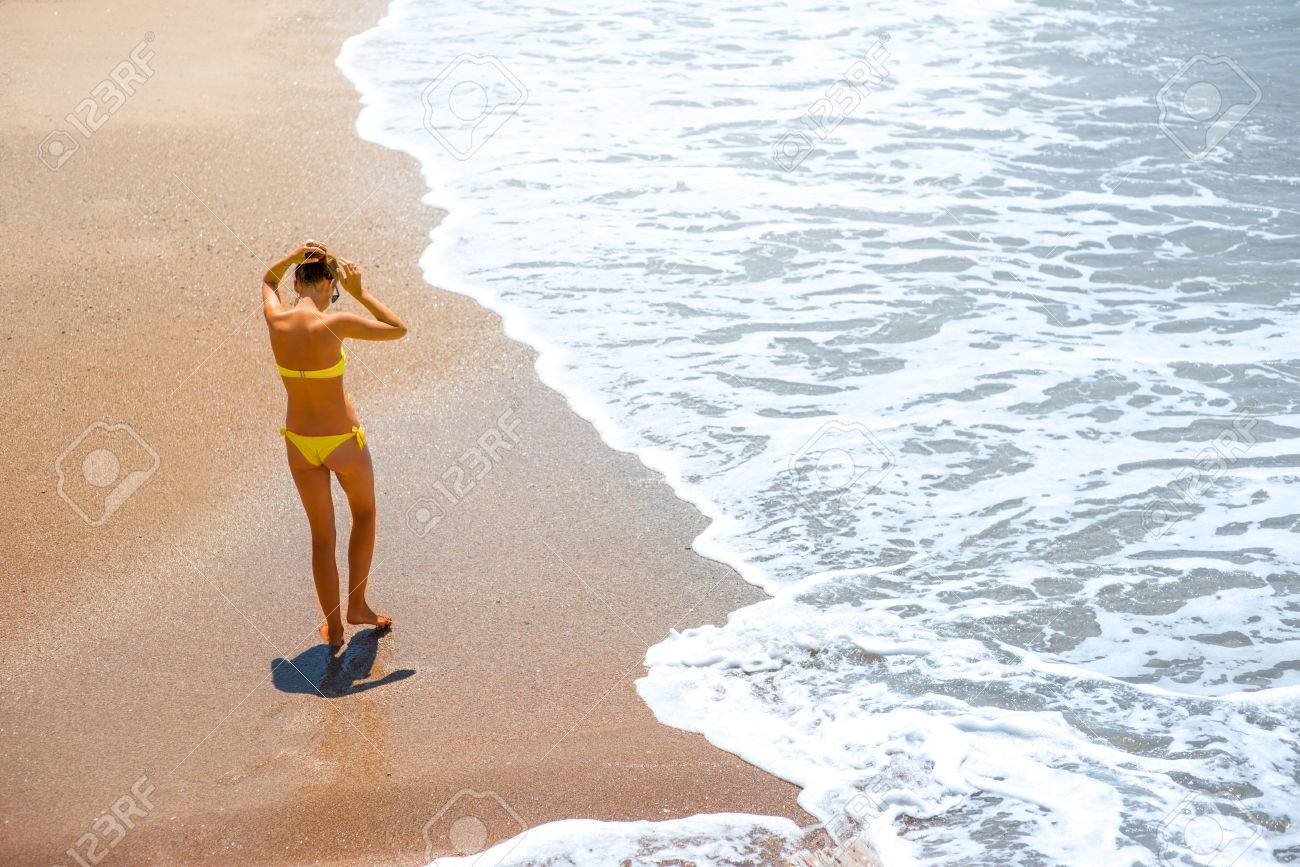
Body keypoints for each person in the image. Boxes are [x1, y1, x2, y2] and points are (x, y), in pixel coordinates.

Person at [261, 241, 407, 647]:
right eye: (337, 290)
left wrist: (292, 255)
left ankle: (336, 628)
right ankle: (358, 606)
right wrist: (361, 293)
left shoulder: (276, 319)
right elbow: (398, 329)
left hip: (300, 444)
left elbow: (267, 280)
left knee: (322, 537)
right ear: (330, 284)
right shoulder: (337, 322)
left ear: (297, 281)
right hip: (342, 440)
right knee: (364, 514)